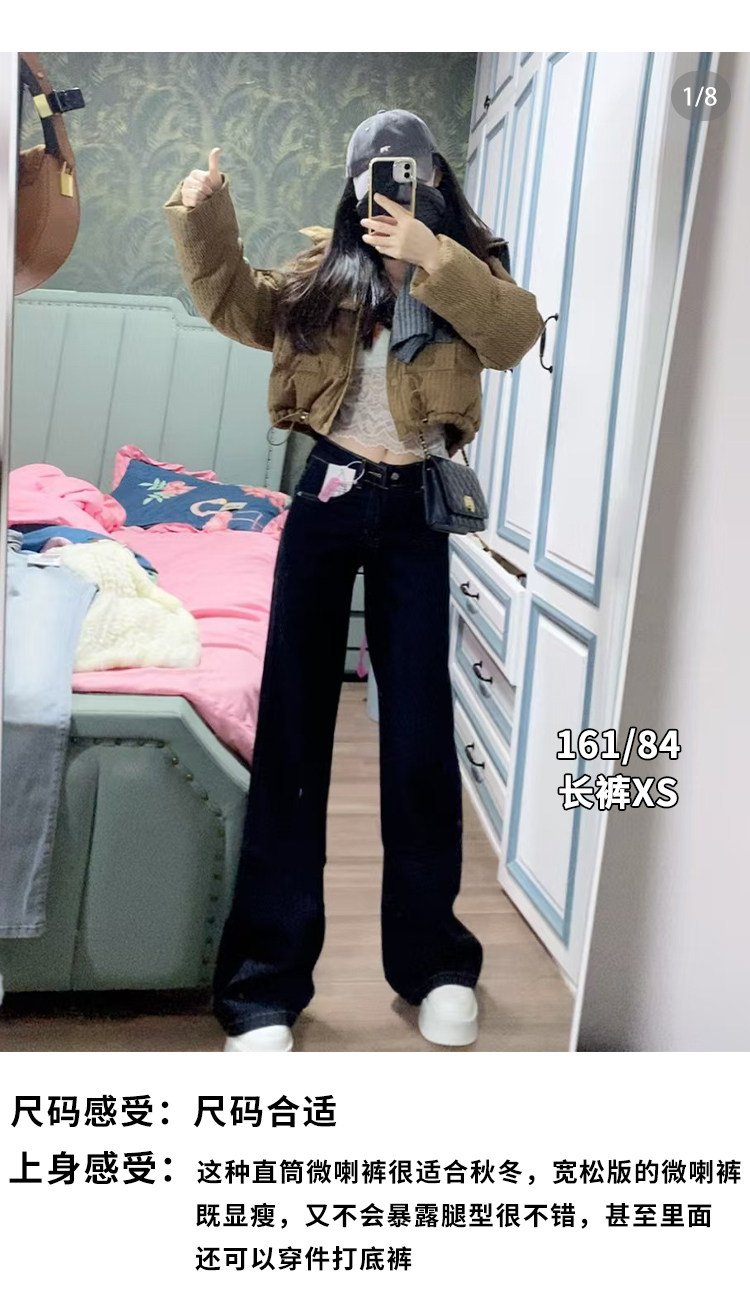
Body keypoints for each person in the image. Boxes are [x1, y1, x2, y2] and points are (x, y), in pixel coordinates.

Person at [164, 109, 544, 1052]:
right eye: (374, 173)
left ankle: (436, 965)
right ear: (352, 183)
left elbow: (514, 336)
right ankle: (263, 987)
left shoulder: (468, 273)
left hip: (417, 507)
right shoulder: (324, 275)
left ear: (435, 179)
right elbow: (237, 307)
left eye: (407, 171)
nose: (391, 186)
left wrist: (432, 256)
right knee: (294, 730)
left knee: (418, 737)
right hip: (329, 494)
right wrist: (206, 216)